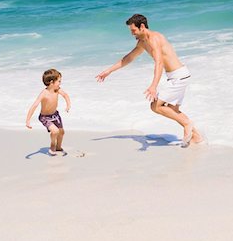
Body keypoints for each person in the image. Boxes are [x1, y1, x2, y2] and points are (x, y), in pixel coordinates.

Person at [95, 14, 202, 147]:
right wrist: (109, 71)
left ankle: (187, 124)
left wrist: (153, 86)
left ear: (142, 27)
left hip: (179, 76)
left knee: (155, 106)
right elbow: (128, 58)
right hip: (176, 76)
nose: (132, 33)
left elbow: (159, 63)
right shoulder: (142, 42)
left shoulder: (154, 38)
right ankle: (196, 137)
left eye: (133, 30)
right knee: (173, 110)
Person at [26, 69, 71, 156]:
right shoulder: (44, 93)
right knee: (55, 131)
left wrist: (68, 105)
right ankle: (52, 147)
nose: (60, 83)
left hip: (55, 115)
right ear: (51, 82)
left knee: (61, 132)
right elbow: (34, 106)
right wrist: (28, 120)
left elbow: (65, 95)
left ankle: (58, 147)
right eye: (59, 81)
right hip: (45, 117)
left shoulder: (57, 89)